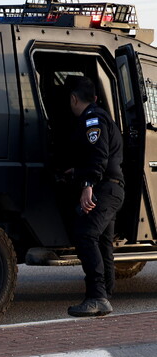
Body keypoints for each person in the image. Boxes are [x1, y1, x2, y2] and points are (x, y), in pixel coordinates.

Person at [63, 75, 124, 317]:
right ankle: (105, 293)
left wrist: (87, 183)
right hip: (113, 188)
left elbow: (98, 156)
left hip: (103, 189)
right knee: (103, 242)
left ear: (73, 99)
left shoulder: (92, 119)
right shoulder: (103, 116)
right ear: (96, 97)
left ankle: (97, 297)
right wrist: (78, 172)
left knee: (86, 235)